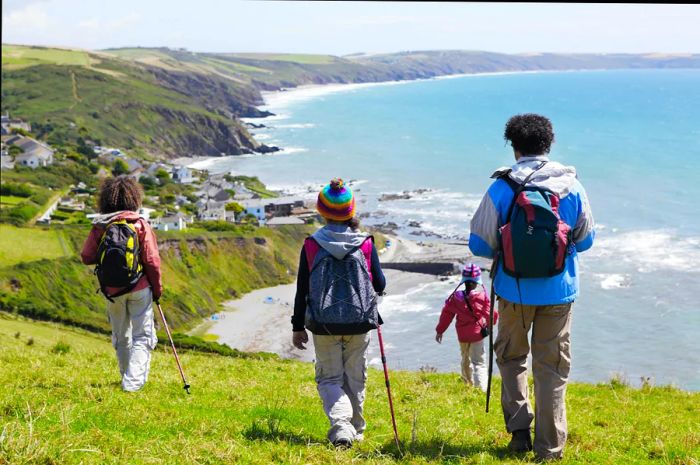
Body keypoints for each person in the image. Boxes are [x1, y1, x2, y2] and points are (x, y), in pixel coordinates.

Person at [469, 114, 594, 460]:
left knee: (511, 357)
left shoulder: (502, 187)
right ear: (549, 145)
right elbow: (585, 242)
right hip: (559, 291)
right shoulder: (572, 186)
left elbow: (478, 245)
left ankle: (519, 432)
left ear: (514, 147)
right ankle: (549, 448)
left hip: (513, 290)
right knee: (552, 368)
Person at [291, 178, 386, 449]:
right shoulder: (365, 244)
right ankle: (355, 429)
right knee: (356, 377)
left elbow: (302, 290)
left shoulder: (312, 244)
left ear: (322, 211)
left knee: (329, 378)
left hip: (324, 324)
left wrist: (298, 326)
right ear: (350, 212)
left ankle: (342, 425)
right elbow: (379, 284)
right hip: (360, 322)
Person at [81, 175, 163, 392]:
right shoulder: (140, 224)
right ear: (134, 198)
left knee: (121, 335)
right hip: (140, 288)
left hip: (111, 291)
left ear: (106, 199)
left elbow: (86, 256)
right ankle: (132, 384)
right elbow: (152, 261)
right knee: (142, 336)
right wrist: (157, 289)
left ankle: (126, 376)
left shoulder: (100, 225)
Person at [434, 263, 497, 392]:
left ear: (464, 281)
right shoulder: (481, 298)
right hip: (477, 335)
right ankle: (481, 389)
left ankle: (467, 382)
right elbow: (492, 315)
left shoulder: (456, 298)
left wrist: (440, 331)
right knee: (478, 362)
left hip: (462, 335)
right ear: (477, 282)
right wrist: (490, 326)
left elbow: (446, 315)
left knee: (465, 358)